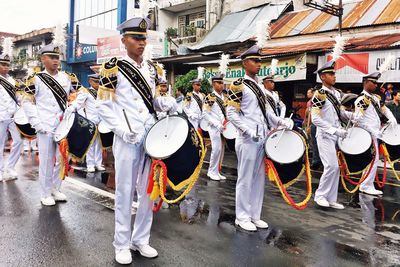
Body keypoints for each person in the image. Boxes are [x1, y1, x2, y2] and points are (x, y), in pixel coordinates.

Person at [96, 17, 177, 265]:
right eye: (136, 38)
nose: (141, 43)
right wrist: (121, 130)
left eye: (144, 38)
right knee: (124, 192)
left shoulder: (153, 69)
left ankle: (140, 239)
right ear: (124, 40)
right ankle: (121, 243)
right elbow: (103, 105)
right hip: (128, 137)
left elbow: (152, 102)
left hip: (149, 138)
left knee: (148, 191)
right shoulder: (113, 67)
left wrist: (164, 103)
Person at [226, 45, 291, 232]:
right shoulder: (238, 84)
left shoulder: (261, 88)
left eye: (260, 61)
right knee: (245, 179)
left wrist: (281, 122)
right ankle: (242, 216)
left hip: (262, 137)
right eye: (255, 61)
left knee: (258, 179)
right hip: (247, 139)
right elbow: (231, 113)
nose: (259, 64)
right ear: (245, 63)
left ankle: (255, 215)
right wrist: (246, 130)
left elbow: (268, 113)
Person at [22, 44, 77, 206]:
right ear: (43, 59)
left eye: (57, 57)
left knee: (61, 158)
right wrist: (37, 123)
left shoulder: (67, 77)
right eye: (51, 57)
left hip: (62, 126)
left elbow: (80, 94)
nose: (55, 60)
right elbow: (27, 102)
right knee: (46, 161)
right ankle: (45, 193)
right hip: (44, 125)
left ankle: (55, 188)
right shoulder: (36, 78)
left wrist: (73, 107)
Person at [311, 60, 353, 209]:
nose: (334, 76)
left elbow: (339, 113)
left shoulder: (335, 93)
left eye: (334, 73)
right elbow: (315, 118)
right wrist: (334, 130)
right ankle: (320, 195)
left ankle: (331, 198)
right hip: (324, 135)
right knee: (331, 166)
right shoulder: (320, 94)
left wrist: (352, 116)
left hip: (335, 135)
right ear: (323, 77)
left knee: (336, 168)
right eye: (330, 74)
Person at [354, 72, 397, 195]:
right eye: (373, 82)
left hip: (376, 133)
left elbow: (384, 109)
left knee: (373, 159)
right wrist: (371, 130)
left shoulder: (375, 98)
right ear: (365, 83)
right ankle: (366, 185)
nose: (375, 85)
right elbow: (357, 119)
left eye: (376, 82)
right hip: (368, 134)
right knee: (373, 160)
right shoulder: (362, 99)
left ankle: (366, 184)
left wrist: (391, 117)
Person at [65, 74, 105, 173]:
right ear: (90, 81)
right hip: (90, 121)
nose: (98, 84)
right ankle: (90, 164)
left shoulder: (103, 92)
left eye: (99, 82)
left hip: (101, 122)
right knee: (90, 144)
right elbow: (78, 103)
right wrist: (69, 110)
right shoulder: (86, 92)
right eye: (96, 82)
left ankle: (98, 163)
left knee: (100, 144)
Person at [0, 53, 23, 181]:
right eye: (3, 64)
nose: (6, 67)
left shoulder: (13, 81)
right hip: (0, 116)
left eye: (7, 65)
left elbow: (18, 97)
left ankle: (10, 167)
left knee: (19, 141)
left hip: (14, 116)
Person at [203, 74, 226, 181]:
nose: (221, 85)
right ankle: (211, 171)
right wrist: (216, 124)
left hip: (222, 126)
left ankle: (217, 171)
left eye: (222, 83)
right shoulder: (210, 97)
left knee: (221, 150)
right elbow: (205, 114)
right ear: (213, 84)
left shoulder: (223, 97)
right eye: (219, 83)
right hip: (214, 127)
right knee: (216, 149)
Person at [304, 87, 322, 169]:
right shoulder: (312, 101)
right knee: (315, 143)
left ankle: (316, 161)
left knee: (316, 144)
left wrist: (308, 125)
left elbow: (311, 114)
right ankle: (316, 161)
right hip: (316, 124)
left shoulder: (314, 101)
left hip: (317, 124)